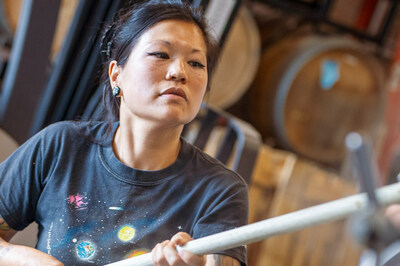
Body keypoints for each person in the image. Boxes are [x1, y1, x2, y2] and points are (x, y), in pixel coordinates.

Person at [0, 0, 249, 265]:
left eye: (196, 63)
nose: (179, 72)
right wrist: (26, 260)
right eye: (161, 55)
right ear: (116, 75)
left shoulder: (220, 191)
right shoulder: (61, 147)